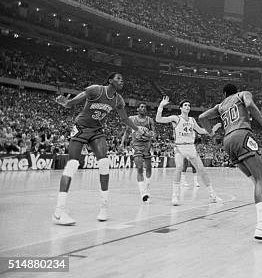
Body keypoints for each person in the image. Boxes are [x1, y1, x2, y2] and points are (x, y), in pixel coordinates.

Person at [198, 84, 262, 242]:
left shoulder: (220, 106)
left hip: (228, 142)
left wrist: (212, 134)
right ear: (235, 91)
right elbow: (250, 105)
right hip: (242, 135)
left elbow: (202, 117)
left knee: (257, 181)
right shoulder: (242, 94)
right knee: (261, 180)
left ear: (224, 93)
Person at [53, 73, 144, 225]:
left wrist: (136, 129)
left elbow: (124, 119)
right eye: (118, 78)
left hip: (96, 131)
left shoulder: (118, 99)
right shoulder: (95, 90)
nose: (122, 81)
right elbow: (71, 103)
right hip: (80, 128)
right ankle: (58, 211)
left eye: (123, 79)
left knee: (104, 164)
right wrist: (64, 102)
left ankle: (104, 207)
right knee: (72, 165)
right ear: (110, 80)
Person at [155, 97, 219, 205]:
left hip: (191, 147)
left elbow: (201, 131)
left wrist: (213, 129)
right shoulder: (176, 118)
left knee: (202, 170)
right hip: (180, 147)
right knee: (179, 167)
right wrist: (161, 106)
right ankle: (175, 196)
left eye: (189, 105)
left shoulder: (192, 120)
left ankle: (212, 195)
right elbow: (158, 119)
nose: (187, 107)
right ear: (180, 108)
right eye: (185, 105)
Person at [121, 103, 156, 202]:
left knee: (149, 169)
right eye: (141, 106)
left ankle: (147, 187)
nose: (143, 108)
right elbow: (127, 132)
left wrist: (149, 135)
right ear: (137, 109)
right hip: (136, 145)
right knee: (139, 168)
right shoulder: (131, 119)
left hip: (147, 146)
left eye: (145, 107)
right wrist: (122, 143)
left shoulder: (150, 120)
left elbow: (154, 134)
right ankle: (143, 193)